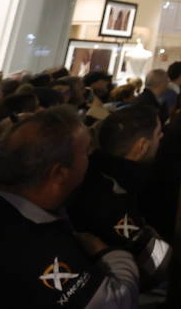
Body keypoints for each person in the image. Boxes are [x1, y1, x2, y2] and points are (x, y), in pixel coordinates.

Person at [0, 106, 139, 308]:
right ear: (59, 173)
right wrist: (108, 253)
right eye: (85, 153)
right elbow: (114, 302)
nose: (89, 160)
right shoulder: (31, 242)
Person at [68, 104, 170, 287]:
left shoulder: (96, 172)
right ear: (142, 146)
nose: (162, 136)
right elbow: (158, 263)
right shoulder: (113, 195)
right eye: (158, 133)